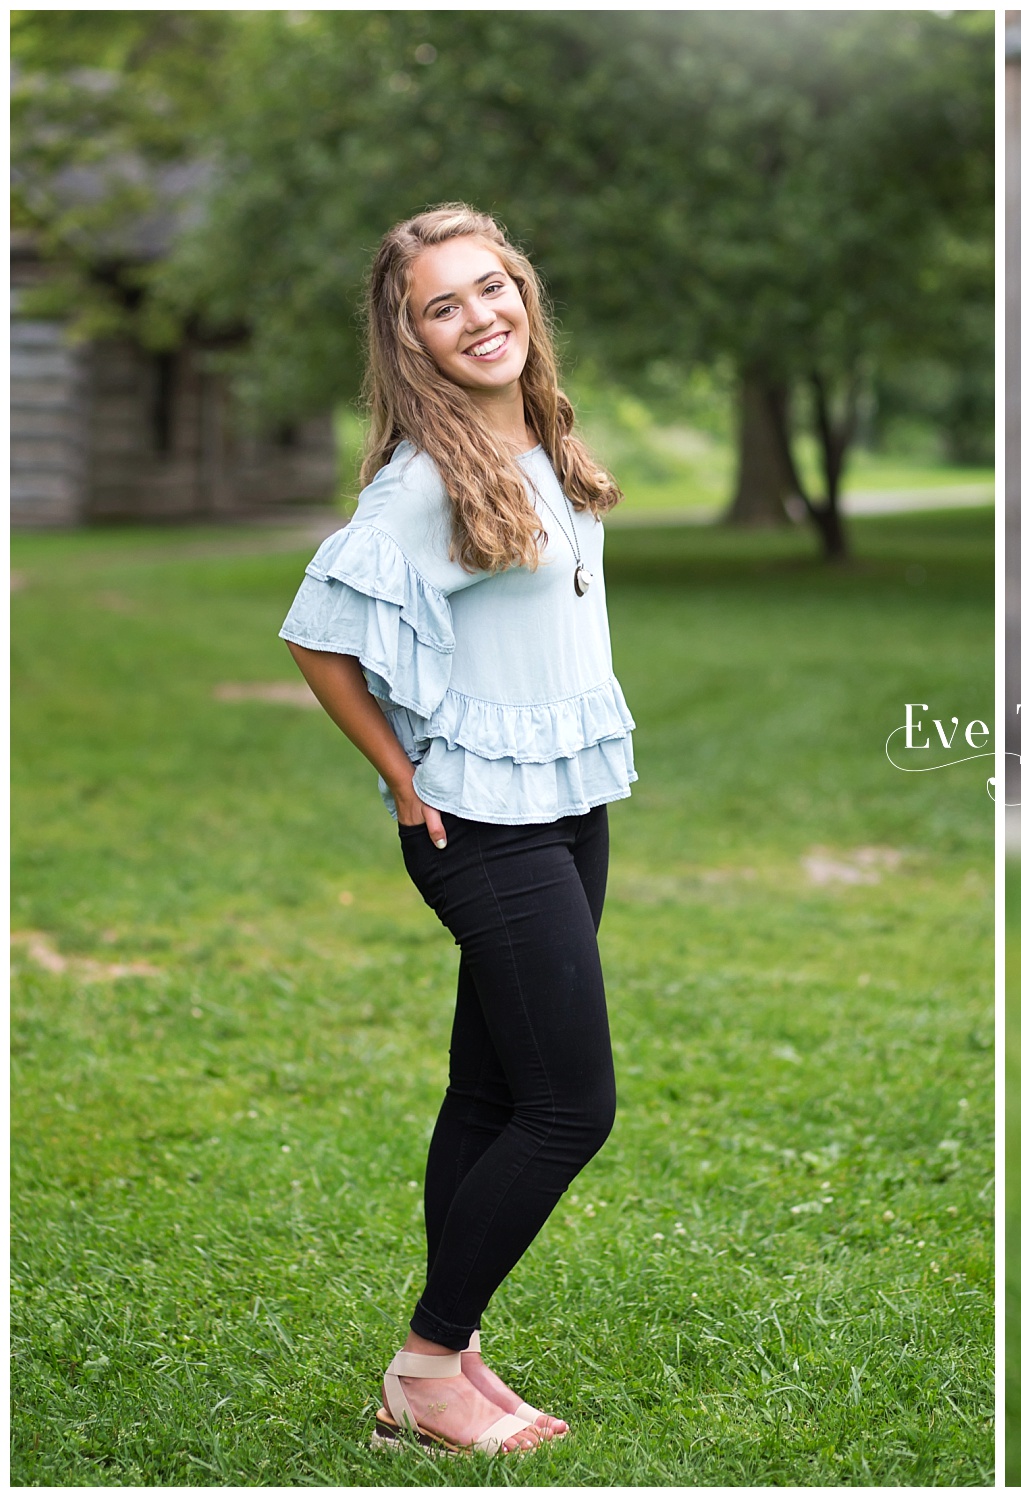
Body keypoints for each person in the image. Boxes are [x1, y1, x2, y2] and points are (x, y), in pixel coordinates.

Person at [280, 204, 635, 1455]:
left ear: (522, 294)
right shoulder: (421, 483)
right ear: (412, 340)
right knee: (568, 1109)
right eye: (444, 305)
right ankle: (424, 1367)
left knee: (487, 1092)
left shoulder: (539, 433)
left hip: (565, 804)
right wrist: (398, 774)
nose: (479, 316)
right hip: (479, 826)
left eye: (492, 288)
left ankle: (454, 1351)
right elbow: (319, 636)